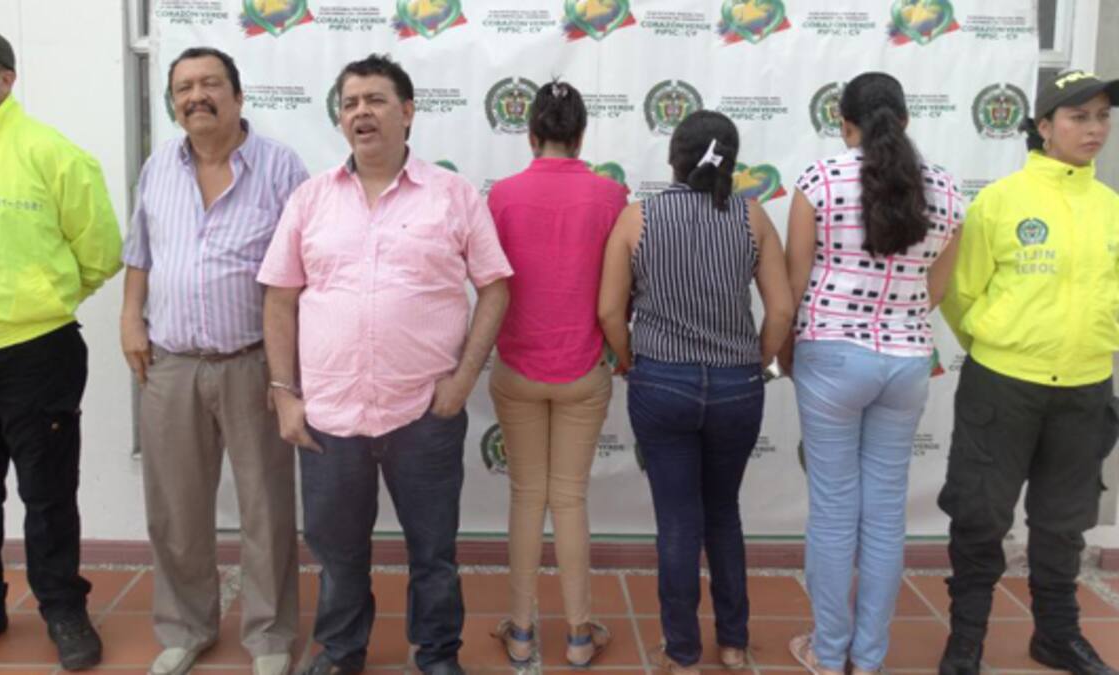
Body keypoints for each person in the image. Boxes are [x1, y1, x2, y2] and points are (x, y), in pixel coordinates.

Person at [257, 54, 513, 675]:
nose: (361, 112)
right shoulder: (310, 199)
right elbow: (280, 298)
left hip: (424, 411)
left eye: (374, 99)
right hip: (330, 414)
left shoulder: (452, 195)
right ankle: (341, 651)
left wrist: (462, 380)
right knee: (338, 553)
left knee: (433, 551)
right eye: (350, 103)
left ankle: (438, 653)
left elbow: (495, 288)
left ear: (407, 111)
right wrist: (284, 393)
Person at [0, 23, 122, 671]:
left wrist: (38, 300)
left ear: (6, 79)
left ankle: (62, 605)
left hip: (35, 352)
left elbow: (101, 253)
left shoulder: (52, 154)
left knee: (47, 492)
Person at [120, 47, 308, 675]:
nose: (195, 96)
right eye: (183, 88)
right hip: (171, 363)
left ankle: (270, 636)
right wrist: (130, 318)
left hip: (254, 364)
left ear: (237, 94)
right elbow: (140, 255)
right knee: (175, 508)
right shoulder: (158, 168)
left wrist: (288, 373)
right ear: (173, 101)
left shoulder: (281, 168)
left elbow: (304, 268)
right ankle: (185, 627)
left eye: (209, 84)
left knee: (266, 509)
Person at [778, 72, 963, 675]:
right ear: (904, 120)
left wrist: (786, 349)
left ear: (844, 123)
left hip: (831, 354)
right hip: (907, 360)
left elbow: (795, 283)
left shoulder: (820, 180)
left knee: (834, 509)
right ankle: (869, 656)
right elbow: (935, 291)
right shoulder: (946, 191)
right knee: (884, 514)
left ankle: (829, 652)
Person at [597, 110, 794, 675]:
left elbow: (609, 311)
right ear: (733, 162)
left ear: (672, 159)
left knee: (678, 521)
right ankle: (733, 644)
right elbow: (781, 310)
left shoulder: (638, 217)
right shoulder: (753, 217)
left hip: (661, 381)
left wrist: (629, 360)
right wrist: (757, 363)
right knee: (724, 514)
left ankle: (681, 652)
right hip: (737, 385)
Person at [937, 69, 1119, 675]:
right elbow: (962, 293)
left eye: (1102, 116)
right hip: (1003, 387)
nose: (1095, 129)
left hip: (1086, 389)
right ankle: (966, 640)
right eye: (1078, 117)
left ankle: (1056, 635)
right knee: (980, 515)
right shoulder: (1000, 201)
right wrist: (1005, 345)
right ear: (1044, 127)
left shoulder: (1111, 208)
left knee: (1065, 522)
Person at [484, 79, 627, 668]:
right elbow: (619, 293)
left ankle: (520, 631)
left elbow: (489, 284)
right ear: (581, 135)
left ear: (531, 134)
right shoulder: (612, 196)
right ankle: (577, 635)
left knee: (526, 496)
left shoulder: (501, 196)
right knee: (569, 500)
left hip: (517, 366)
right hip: (584, 369)